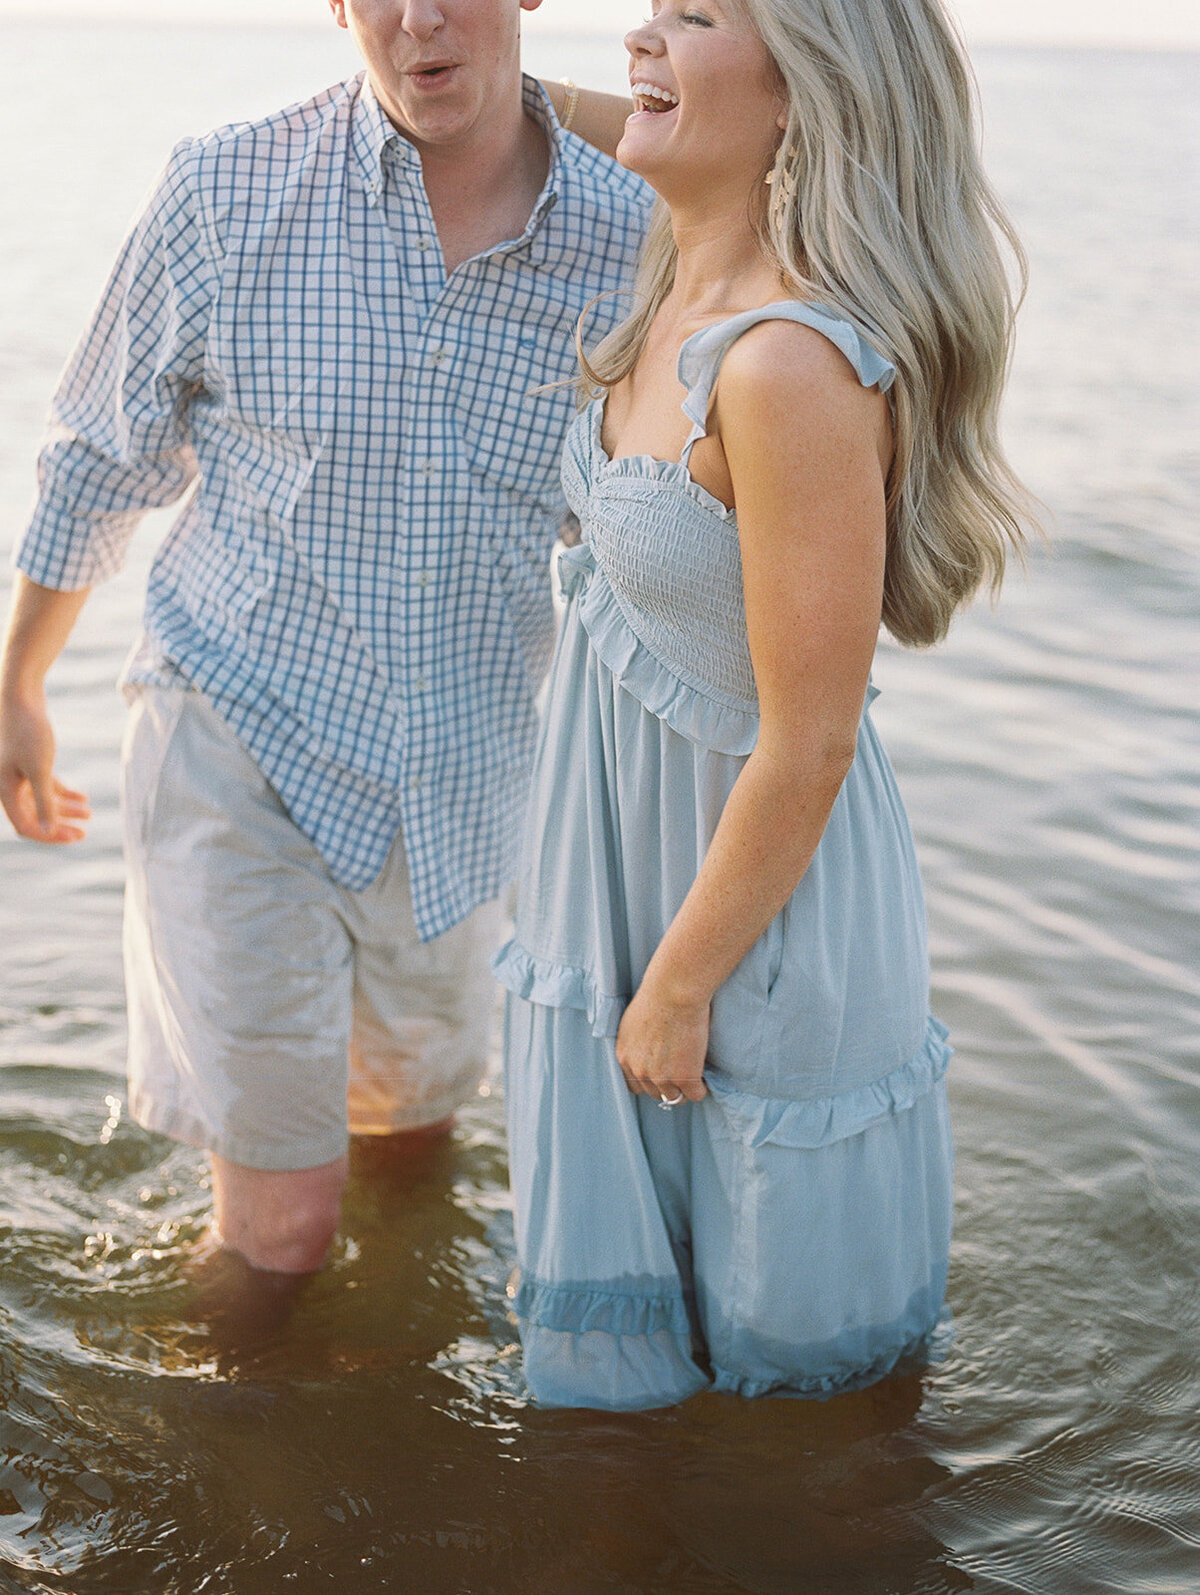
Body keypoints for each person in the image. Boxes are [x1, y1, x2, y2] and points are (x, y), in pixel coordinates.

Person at [0, 0, 649, 1286]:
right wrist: (17, 679)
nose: (418, 21)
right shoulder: (228, 189)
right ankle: (219, 1477)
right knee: (285, 1231)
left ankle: (389, 1455)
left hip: (465, 792)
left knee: (413, 1165)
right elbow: (100, 455)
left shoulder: (637, 234)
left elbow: (831, 163)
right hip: (237, 745)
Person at [494, 0, 1030, 1409]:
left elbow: (813, 737)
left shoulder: (785, 365)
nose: (641, 42)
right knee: (632, 1398)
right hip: (627, 886)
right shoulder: (676, 274)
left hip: (749, 925)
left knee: (809, 1424)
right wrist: (461, 59)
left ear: (800, 94)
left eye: (694, 16)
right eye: (647, 12)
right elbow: (551, 106)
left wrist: (677, 985)